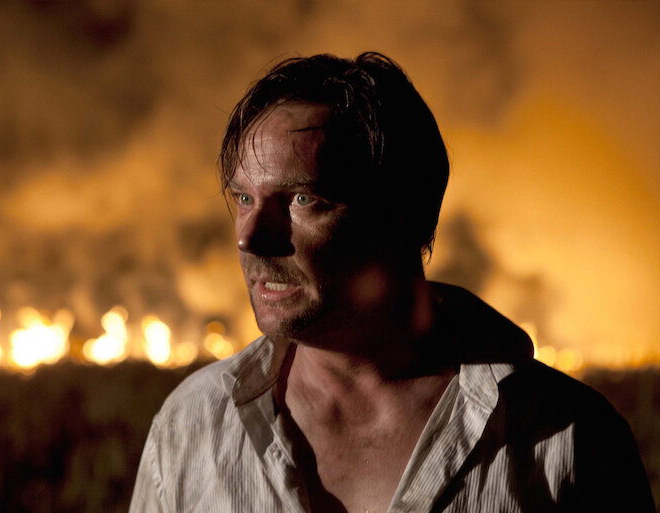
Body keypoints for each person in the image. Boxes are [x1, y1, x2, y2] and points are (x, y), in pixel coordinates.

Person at [129, 52, 655, 512]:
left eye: (302, 199)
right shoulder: (191, 427)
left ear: (404, 214)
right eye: (244, 198)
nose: (249, 238)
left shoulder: (568, 439)